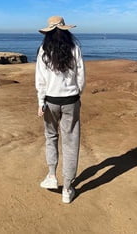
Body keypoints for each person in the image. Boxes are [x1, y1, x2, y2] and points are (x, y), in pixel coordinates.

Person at [35, 16, 85, 204]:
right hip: (71, 100)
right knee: (71, 142)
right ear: (66, 31)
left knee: (51, 137)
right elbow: (81, 77)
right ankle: (68, 189)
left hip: (50, 101)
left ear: (48, 33)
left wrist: (41, 101)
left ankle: (51, 176)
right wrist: (76, 93)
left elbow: (40, 80)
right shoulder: (75, 48)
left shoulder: (43, 50)